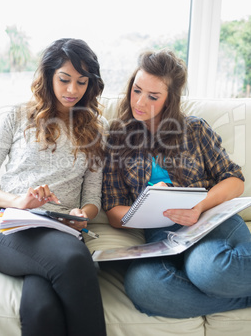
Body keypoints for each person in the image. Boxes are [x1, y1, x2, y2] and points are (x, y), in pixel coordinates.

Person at [102, 49, 251, 318]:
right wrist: (147, 204)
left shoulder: (195, 129)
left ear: (170, 100)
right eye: (136, 90)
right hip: (161, 235)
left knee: (209, 270)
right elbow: (113, 211)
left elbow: (234, 180)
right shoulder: (117, 139)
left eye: (153, 96)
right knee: (143, 286)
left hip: (208, 220)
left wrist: (199, 205)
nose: (140, 102)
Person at [0, 38, 107, 336]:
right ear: (49, 75)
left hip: (59, 227)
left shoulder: (95, 129)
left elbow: (92, 197)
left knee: (42, 310)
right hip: (6, 222)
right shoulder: (17, 116)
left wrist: (82, 213)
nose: (72, 90)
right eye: (64, 79)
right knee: (75, 260)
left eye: (81, 82)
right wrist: (16, 200)